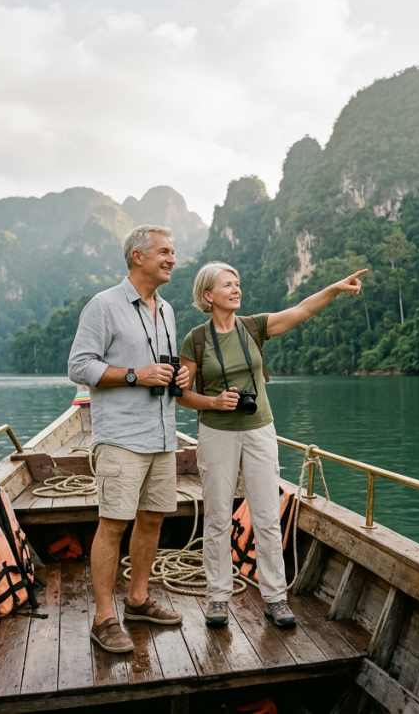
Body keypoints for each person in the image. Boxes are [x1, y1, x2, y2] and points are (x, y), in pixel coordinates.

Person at [177, 262, 366, 629]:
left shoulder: (254, 327)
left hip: (260, 430)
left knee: (266, 516)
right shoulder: (196, 339)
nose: (236, 289)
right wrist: (215, 402)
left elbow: (302, 310)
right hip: (217, 433)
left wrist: (335, 287)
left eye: (238, 283)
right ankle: (217, 598)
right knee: (217, 517)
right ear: (208, 296)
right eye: (227, 285)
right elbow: (181, 395)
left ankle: (276, 598)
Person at [68, 225, 190, 654]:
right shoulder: (104, 305)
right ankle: (104, 618)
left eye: (173, 252)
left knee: (153, 518)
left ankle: (137, 600)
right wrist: (136, 375)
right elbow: (79, 366)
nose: (172, 258)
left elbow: (163, 366)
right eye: (164, 251)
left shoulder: (168, 310)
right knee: (114, 523)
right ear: (137, 256)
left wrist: (180, 374)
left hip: (161, 434)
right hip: (120, 436)